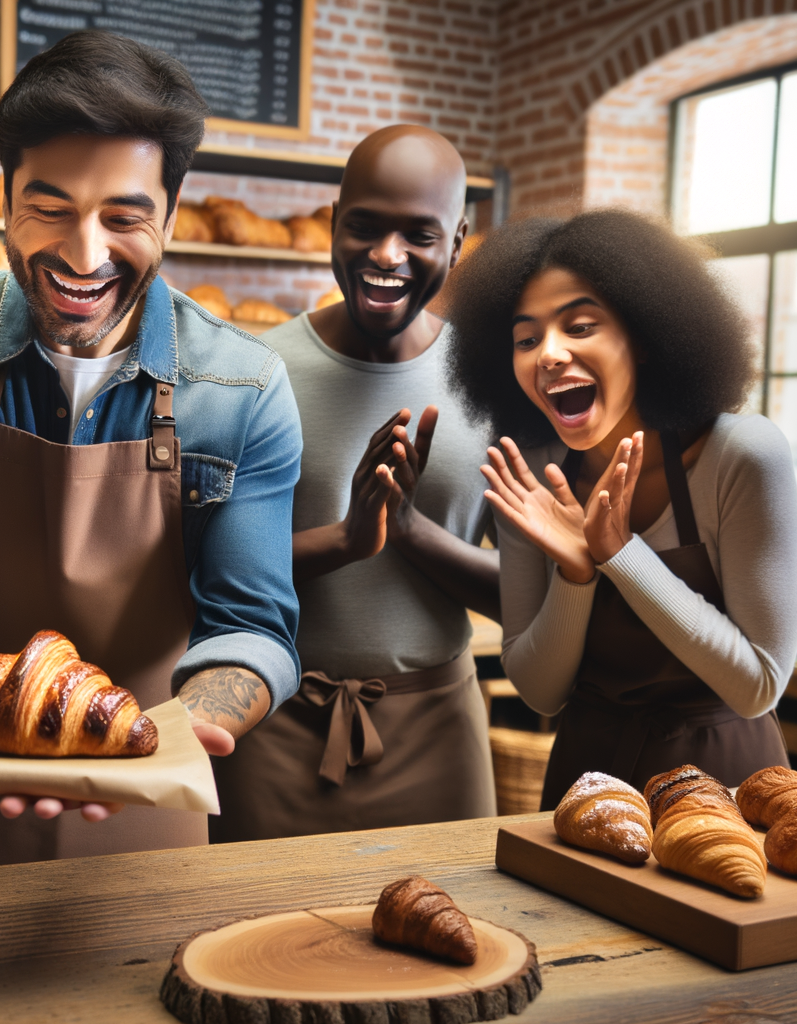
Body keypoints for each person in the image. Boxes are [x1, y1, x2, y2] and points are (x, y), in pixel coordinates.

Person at [0, 30, 303, 875]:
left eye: (124, 216)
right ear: (5, 199)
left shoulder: (244, 388)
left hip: (142, 797)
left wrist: (180, 734)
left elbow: (253, 626)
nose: (85, 254)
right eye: (51, 207)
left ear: (172, 216)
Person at [444, 209, 797, 808]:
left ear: (645, 332)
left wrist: (621, 554)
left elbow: (757, 684)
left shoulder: (741, 453)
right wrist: (576, 573)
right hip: (586, 782)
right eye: (526, 339)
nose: (549, 354)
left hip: (729, 787)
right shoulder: (533, 471)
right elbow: (540, 692)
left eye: (579, 327)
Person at [211, 125, 500, 842]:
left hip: (440, 725)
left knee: (460, 938)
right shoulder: (253, 370)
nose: (386, 256)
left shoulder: (497, 383)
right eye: (364, 227)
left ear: (458, 241)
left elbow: (528, 594)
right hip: (267, 721)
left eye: (419, 234)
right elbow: (210, 574)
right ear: (334, 223)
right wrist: (346, 539)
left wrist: (409, 532)